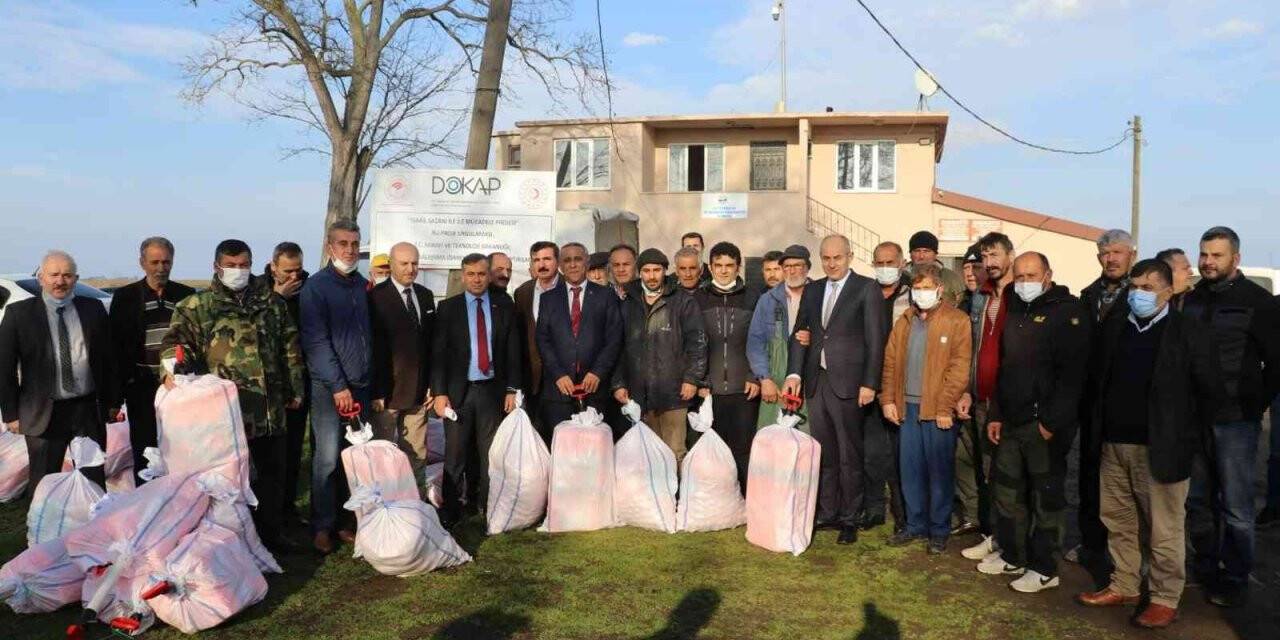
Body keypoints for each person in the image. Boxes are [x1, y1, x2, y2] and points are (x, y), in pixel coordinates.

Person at [1075, 259, 1220, 629]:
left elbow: (1207, 391)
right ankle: (1124, 583)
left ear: (1169, 292)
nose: (1138, 293)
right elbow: (1098, 380)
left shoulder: (1187, 330)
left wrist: (1188, 438)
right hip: (1114, 443)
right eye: (1134, 286)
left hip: (1161, 446)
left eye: (1148, 287)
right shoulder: (1117, 327)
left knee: (1163, 528)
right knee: (1119, 519)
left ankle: (1164, 596)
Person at [161, 240, 305, 553]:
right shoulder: (197, 306)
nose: (237, 271)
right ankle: (228, 538)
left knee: (271, 475)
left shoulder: (271, 303)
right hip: (222, 413)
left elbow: (290, 348)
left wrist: (295, 388)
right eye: (231, 265)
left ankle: (271, 534)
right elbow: (174, 345)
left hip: (268, 408)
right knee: (227, 479)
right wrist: (172, 371)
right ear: (217, 267)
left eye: (243, 265)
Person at [977, 252, 1089, 594]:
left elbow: (1074, 376)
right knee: (1008, 493)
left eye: (1032, 275)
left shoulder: (1068, 312)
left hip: (1043, 425)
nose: (1025, 282)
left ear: (1047, 275)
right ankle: (1013, 554)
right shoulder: (1016, 308)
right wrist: (996, 413)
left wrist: (1051, 422)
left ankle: (1044, 567)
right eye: (1020, 276)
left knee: (1046, 499)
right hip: (1011, 420)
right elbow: (1007, 367)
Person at [1183, 226, 1280, 608]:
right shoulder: (1192, 300)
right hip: (1196, 419)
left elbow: (1276, 363)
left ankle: (1237, 574)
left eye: (1216, 255)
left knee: (1237, 506)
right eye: (1204, 254)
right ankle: (1206, 567)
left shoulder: (1258, 302)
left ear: (1234, 259)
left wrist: (1253, 404)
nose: (1208, 262)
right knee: (1198, 500)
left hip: (1236, 421)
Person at [782, 235, 887, 545]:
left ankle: (850, 517)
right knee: (823, 451)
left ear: (850, 256)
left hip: (851, 384)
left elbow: (876, 340)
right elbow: (799, 334)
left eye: (837, 258)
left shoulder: (866, 289)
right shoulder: (813, 290)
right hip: (817, 382)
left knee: (849, 454)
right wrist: (794, 373)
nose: (831, 264)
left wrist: (870, 383)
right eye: (826, 258)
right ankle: (827, 512)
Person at [1, 250, 116, 494]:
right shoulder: (19, 315)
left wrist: (113, 401)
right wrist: (10, 413)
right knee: (44, 482)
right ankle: (43, 531)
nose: (60, 281)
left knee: (92, 478)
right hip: (44, 412)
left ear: (76, 278)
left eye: (66, 275)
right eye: (53, 275)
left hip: (87, 410)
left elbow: (108, 359)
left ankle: (92, 529)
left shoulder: (93, 309)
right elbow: (5, 368)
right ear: (42, 278)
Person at [880, 264, 972, 554]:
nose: (921, 294)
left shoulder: (957, 321)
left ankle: (939, 529)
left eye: (927, 288)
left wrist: (945, 406)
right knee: (910, 471)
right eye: (917, 289)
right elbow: (891, 363)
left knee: (939, 472)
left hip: (937, 409)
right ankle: (915, 524)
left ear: (940, 289)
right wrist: (888, 400)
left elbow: (959, 368)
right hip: (906, 406)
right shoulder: (905, 320)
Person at [431, 254, 520, 526]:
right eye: (471, 274)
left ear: (488, 275)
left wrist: (512, 389)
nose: (477, 279)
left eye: (482, 273)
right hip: (459, 394)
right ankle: (450, 513)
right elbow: (438, 355)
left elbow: (512, 352)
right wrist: (439, 392)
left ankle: (487, 508)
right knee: (455, 455)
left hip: (491, 392)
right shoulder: (448, 309)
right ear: (462, 275)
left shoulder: (503, 306)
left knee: (489, 454)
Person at [300, 220, 373, 554]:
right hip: (331, 390)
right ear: (330, 247)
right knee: (327, 459)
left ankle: (348, 521)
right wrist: (338, 386)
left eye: (355, 244)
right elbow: (317, 342)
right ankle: (322, 525)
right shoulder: (316, 287)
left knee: (354, 458)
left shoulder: (361, 285)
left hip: (361, 386)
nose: (350, 250)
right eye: (343, 244)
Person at [107, 237, 195, 484]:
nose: (160, 268)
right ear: (142, 263)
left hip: (177, 386)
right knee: (144, 447)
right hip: (141, 385)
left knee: (178, 444)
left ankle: (176, 494)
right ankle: (146, 501)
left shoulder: (185, 295)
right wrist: (117, 393)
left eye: (166, 262)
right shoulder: (126, 297)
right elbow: (115, 346)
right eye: (154, 262)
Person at [1075, 229, 1138, 571]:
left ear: (1131, 254)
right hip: (1091, 404)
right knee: (1089, 475)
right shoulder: (1088, 296)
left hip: (1126, 405)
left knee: (1126, 485)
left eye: (1118, 252)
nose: (1111, 259)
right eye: (1105, 253)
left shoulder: (1141, 294)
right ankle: (1091, 542)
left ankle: (1127, 554)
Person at [612, 248, 707, 462]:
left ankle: (675, 496)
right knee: (645, 454)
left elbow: (697, 343)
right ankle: (651, 496)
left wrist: (692, 378)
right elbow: (617, 346)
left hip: (673, 393)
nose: (652, 276)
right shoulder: (628, 302)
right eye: (646, 270)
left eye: (657, 270)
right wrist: (618, 383)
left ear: (665, 271)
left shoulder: (682, 301)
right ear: (639, 272)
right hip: (638, 394)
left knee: (675, 452)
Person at [956, 232, 1015, 557]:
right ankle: (994, 536)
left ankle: (1010, 545)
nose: (989, 263)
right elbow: (976, 350)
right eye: (984, 257)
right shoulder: (983, 297)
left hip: (1007, 402)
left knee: (1005, 475)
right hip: (980, 397)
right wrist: (967, 389)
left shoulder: (1019, 296)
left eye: (994, 256)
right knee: (987, 471)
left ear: (1010, 255)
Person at [693, 242, 761, 495]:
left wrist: (754, 375)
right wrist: (700, 382)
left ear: (738, 267)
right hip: (709, 389)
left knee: (743, 448)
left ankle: (746, 498)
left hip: (743, 387)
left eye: (729, 265)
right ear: (709, 267)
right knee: (713, 449)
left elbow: (759, 340)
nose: (723, 271)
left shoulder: (754, 298)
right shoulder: (697, 299)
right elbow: (691, 345)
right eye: (718, 265)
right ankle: (718, 499)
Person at [535, 242, 623, 432]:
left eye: (578, 259)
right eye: (567, 260)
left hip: (595, 389)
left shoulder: (606, 296)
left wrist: (598, 372)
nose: (573, 265)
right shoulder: (548, 299)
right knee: (561, 449)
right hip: (559, 392)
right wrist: (558, 374)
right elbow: (543, 340)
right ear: (559, 265)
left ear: (587, 262)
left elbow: (614, 338)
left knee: (595, 450)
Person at [370, 242, 436, 489]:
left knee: (417, 455)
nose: (410, 269)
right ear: (392, 263)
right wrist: (377, 391)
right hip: (386, 396)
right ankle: (383, 509)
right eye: (404, 263)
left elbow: (431, 346)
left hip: (419, 394)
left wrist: (432, 385)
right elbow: (374, 348)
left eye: (415, 263)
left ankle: (416, 508)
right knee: (382, 456)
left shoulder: (425, 295)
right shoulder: (375, 298)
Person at [865, 241, 911, 533]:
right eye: (879, 263)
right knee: (871, 451)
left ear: (902, 263)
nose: (885, 268)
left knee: (899, 453)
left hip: (900, 384)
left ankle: (903, 513)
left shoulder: (913, 295)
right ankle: (872, 510)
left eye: (890, 262)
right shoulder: (866, 292)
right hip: (869, 380)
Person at [264, 241, 310, 524]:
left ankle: (289, 509)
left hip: (297, 381)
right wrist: (276, 298)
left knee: (293, 448)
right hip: (266, 385)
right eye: (288, 271)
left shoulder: (309, 288)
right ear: (273, 268)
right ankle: (268, 512)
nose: (295, 277)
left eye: (299, 271)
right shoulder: (259, 289)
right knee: (269, 454)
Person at [748, 244, 810, 429]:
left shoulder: (819, 294)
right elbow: (755, 343)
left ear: (807, 267)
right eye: (787, 266)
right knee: (772, 436)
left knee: (807, 436)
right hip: (774, 379)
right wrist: (764, 379)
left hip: (811, 377)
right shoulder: (767, 300)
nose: (792, 271)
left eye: (797, 265)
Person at [512, 241, 560, 441]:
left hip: (564, 379)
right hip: (533, 380)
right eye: (536, 260)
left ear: (557, 261)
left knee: (561, 437)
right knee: (536, 437)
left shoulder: (571, 288)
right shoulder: (523, 292)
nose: (542, 264)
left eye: (547, 259)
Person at [907, 231, 965, 306]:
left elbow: (961, 304)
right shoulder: (903, 277)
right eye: (917, 251)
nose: (921, 256)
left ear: (935, 254)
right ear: (910, 254)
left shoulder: (951, 278)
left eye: (926, 251)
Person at [959, 243, 986, 314]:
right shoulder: (957, 302)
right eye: (966, 268)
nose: (970, 273)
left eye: (977, 267)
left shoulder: (998, 302)